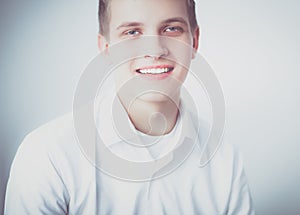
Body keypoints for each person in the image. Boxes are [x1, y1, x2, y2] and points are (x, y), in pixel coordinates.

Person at [5, 0, 255, 214]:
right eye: (132, 32)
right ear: (106, 48)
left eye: (171, 28)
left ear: (195, 41)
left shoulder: (225, 159)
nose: (155, 50)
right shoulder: (48, 155)